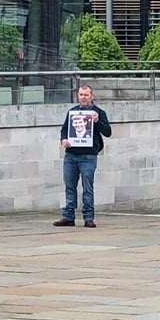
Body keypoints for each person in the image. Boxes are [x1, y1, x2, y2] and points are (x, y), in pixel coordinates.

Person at [54, 85, 112, 228]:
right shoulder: (72, 112)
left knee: (87, 187)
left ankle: (88, 217)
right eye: (81, 94)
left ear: (91, 96)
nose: (83, 97)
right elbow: (64, 130)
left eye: (86, 95)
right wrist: (63, 140)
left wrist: (97, 121)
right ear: (77, 96)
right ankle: (68, 216)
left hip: (88, 156)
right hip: (71, 155)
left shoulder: (99, 112)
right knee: (69, 186)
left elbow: (108, 132)